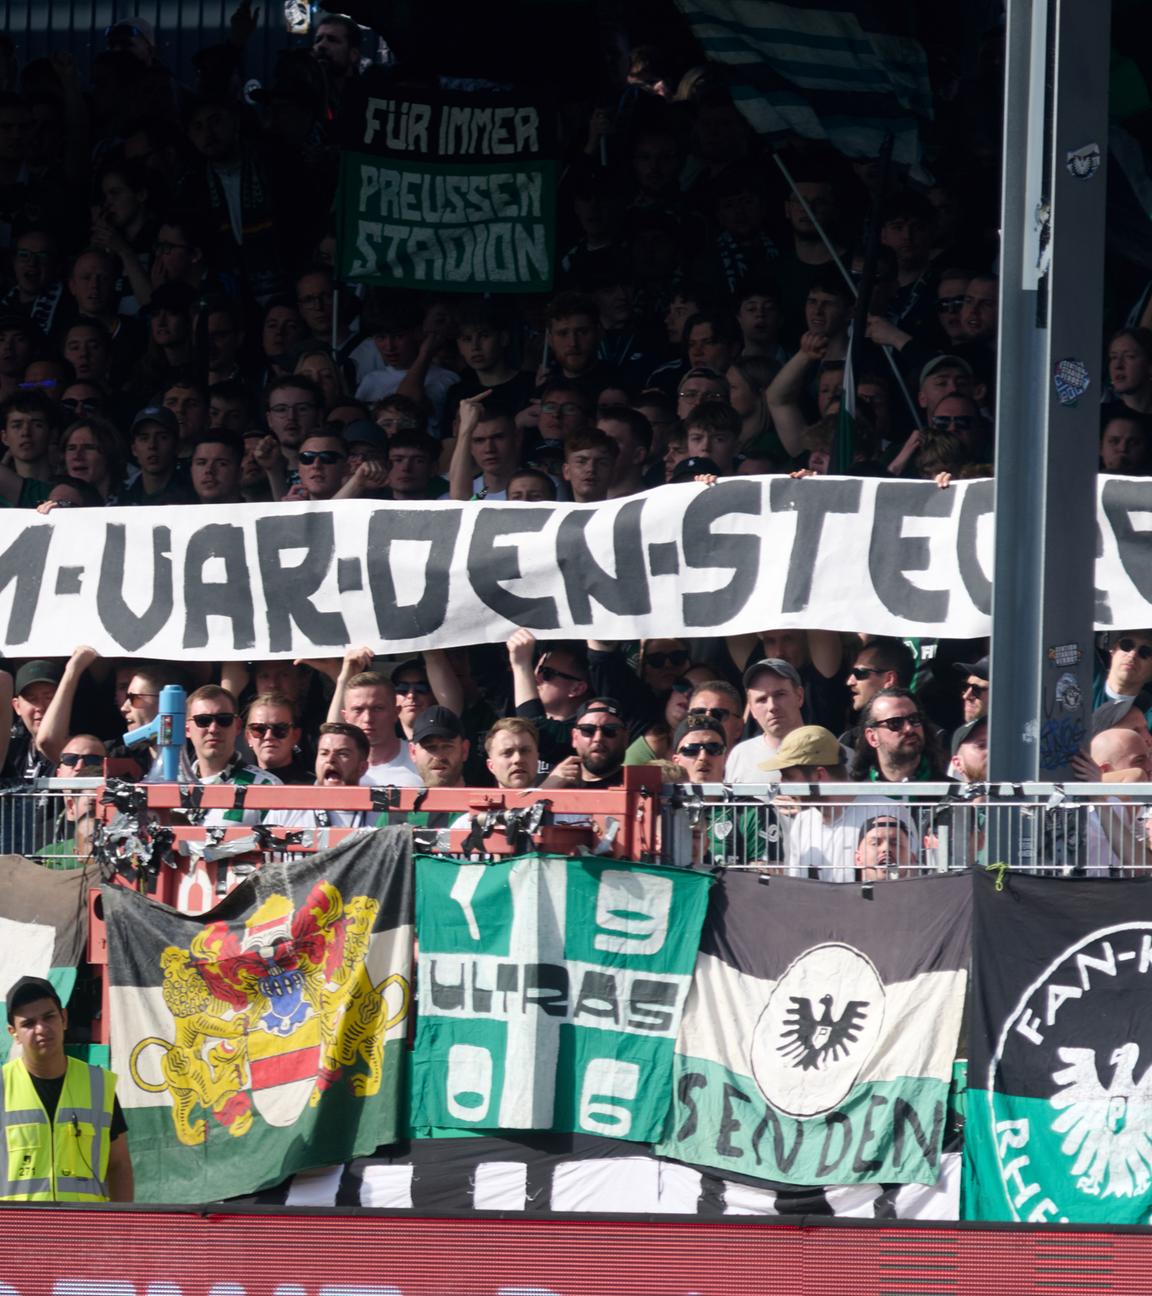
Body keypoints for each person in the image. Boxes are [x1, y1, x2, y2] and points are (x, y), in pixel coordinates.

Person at [1, 975, 133, 1202]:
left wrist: (121, 1231)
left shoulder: (99, 1085)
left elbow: (118, 1166)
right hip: (15, 1233)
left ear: (63, 1018)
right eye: (28, 1023)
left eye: (49, 1017)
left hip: (85, 1231)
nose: (41, 1028)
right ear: (14, 1033)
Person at [186, 685, 281, 825]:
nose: (213, 729)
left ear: (237, 726)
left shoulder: (266, 786)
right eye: (203, 720)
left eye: (224, 719)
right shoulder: (170, 785)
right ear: (187, 729)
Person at [328, 651, 421, 787]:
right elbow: (331, 735)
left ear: (396, 712)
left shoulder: (419, 759)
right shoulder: (334, 770)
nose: (368, 718)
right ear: (345, 717)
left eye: (377, 709)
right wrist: (344, 677)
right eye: (358, 710)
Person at [266, 723, 373, 830]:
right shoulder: (287, 807)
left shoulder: (379, 813)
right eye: (324, 753)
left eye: (342, 754)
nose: (330, 759)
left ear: (362, 768)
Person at [724, 658, 809, 780]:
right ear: (751, 709)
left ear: (799, 696)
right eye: (761, 700)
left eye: (780, 695)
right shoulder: (740, 756)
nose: (772, 706)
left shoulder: (831, 751)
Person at [850, 687, 947, 782]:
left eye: (914, 719)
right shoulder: (856, 795)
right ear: (872, 738)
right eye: (895, 723)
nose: (909, 728)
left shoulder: (950, 793)